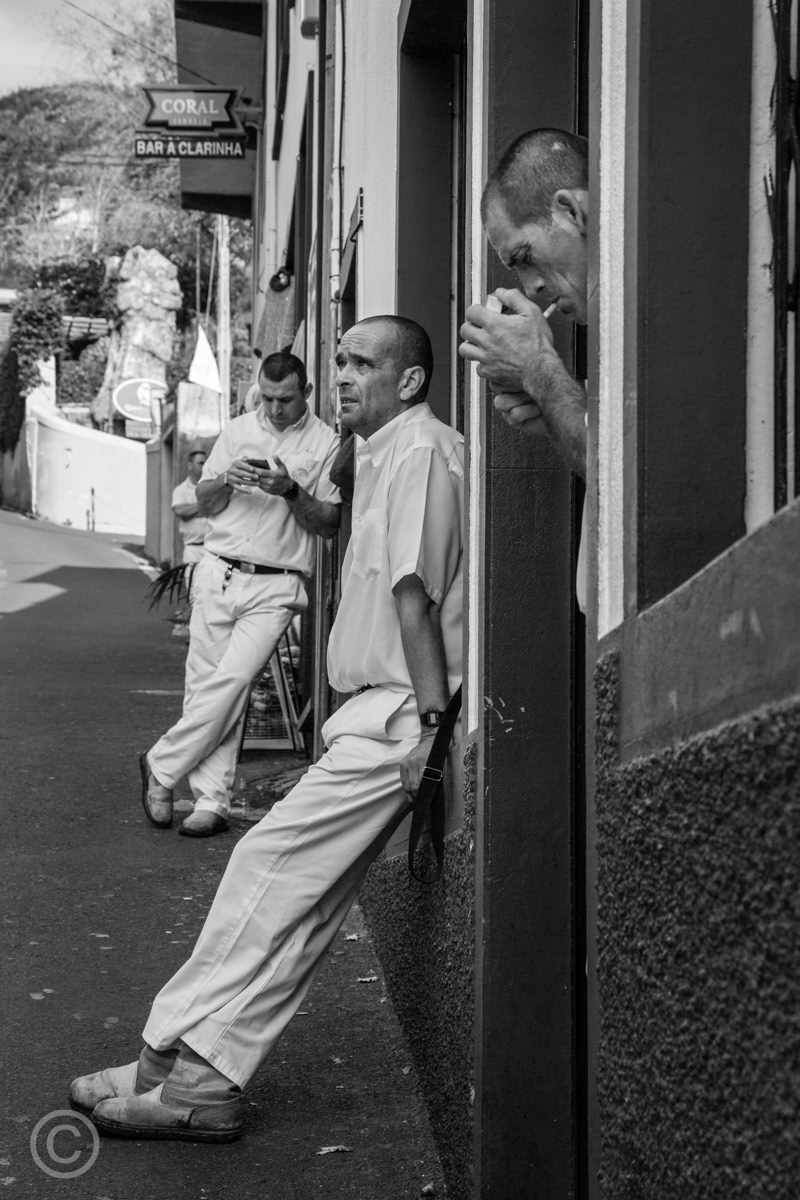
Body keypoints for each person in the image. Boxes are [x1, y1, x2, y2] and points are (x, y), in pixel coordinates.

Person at [69, 315, 464, 1143]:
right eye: (341, 361)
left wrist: (430, 726)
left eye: (363, 364)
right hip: (376, 712)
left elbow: (415, 595)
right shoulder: (386, 453)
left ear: (412, 380)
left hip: (396, 716)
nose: (344, 375)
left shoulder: (424, 450)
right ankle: (204, 1086)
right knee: (308, 911)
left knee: (262, 863)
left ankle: (160, 1053)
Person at [140, 350, 342, 838]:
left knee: (233, 681)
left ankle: (161, 765)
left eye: (286, 399)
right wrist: (227, 479)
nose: (274, 410)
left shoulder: (326, 442)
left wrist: (291, 490)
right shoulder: (236, 431)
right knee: (206, 688)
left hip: (277, 584)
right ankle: (210, 801)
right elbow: (201, 505)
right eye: (268, 398)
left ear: (307, 393)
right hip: (219, 570)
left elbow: (330, 524)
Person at [459, 128, 590, 605]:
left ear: (572, 211)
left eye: (524, 257)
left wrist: (537, 367)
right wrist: (554, 403)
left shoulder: (653, 309)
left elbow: (618, 469)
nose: (531, 286)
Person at [171, 450, 210, 564]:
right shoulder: (180, 490)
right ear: (190, 465)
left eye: (206, 463)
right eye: (201, 463)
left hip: (213, 550)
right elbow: (179, 510)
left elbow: (218, 508)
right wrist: (205, 506)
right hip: (193, 551)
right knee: (192, 581)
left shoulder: (211, 488)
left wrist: (192, 510)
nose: (205, 466)